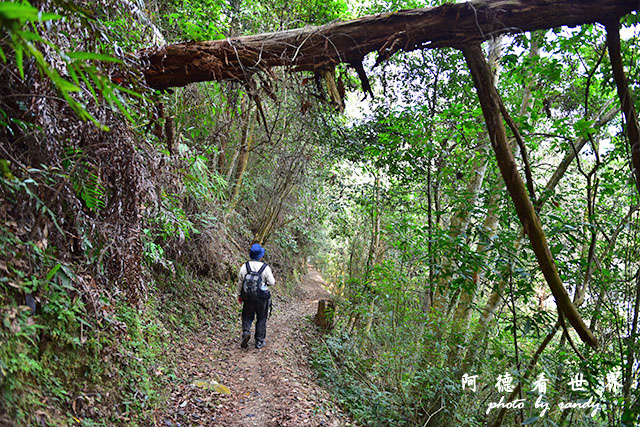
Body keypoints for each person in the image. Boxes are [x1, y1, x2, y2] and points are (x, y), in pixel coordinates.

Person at [237, 243, 275, 349]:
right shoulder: (265, 267)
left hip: (248, 296)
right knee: (261, 318)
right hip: (262, 298)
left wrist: (239, 295)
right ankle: (259, 341)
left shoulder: (245, 266)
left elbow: (240, 282)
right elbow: (272, 282)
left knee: (247, 316)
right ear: (260, 256)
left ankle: (246, 332)